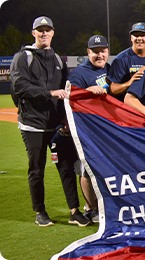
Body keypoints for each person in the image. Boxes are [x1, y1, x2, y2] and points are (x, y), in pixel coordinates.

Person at [10, 16, 90, 226]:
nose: (44, 33)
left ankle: (74, 211)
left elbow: (66, 91)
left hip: (55, 125)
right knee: (37, 168)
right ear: (33, 33)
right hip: (32, 125)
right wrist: (49, 92)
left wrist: (64, 118)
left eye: (47, 30)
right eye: (40, 30)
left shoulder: (57, 60)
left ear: (53, 33)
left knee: (66, 167)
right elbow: (19, 87)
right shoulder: (23, 57)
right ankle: (40, 212)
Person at [65, 35, 112, 222]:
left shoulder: (109, 69)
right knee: (87, 168)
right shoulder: (79, 73)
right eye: (95, 51)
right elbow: (69, 99)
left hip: (107, 128)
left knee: (104, 167)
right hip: (89, 130)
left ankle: (101, 205)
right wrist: (87, 92)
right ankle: (90, 208)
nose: (99, 55)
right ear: (88, 52)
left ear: (108, 52)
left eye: (103, 51)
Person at [107, 22, 145, 102]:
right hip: (128, 107)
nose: (139, 38)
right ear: (131, 38)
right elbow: (112, 90)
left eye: (142, 35)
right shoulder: (121, 59)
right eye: (136, 35)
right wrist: (129, 83)